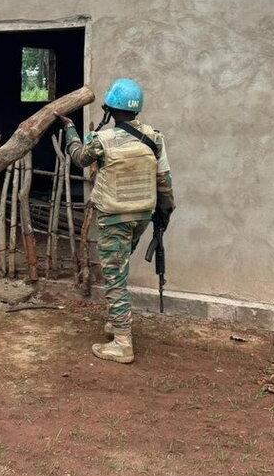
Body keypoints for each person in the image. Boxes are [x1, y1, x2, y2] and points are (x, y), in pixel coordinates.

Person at [58, 78, 175, 364]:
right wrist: (164, 216)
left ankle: (122, 343)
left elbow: (80, 158)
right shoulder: (154, 137)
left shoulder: (103, 140)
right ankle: (116, 320)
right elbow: (164, 181)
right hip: (142, 216)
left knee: (115, 276)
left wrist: (70, 129)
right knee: (119, 268)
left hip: (114, 217)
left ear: (110, 109)